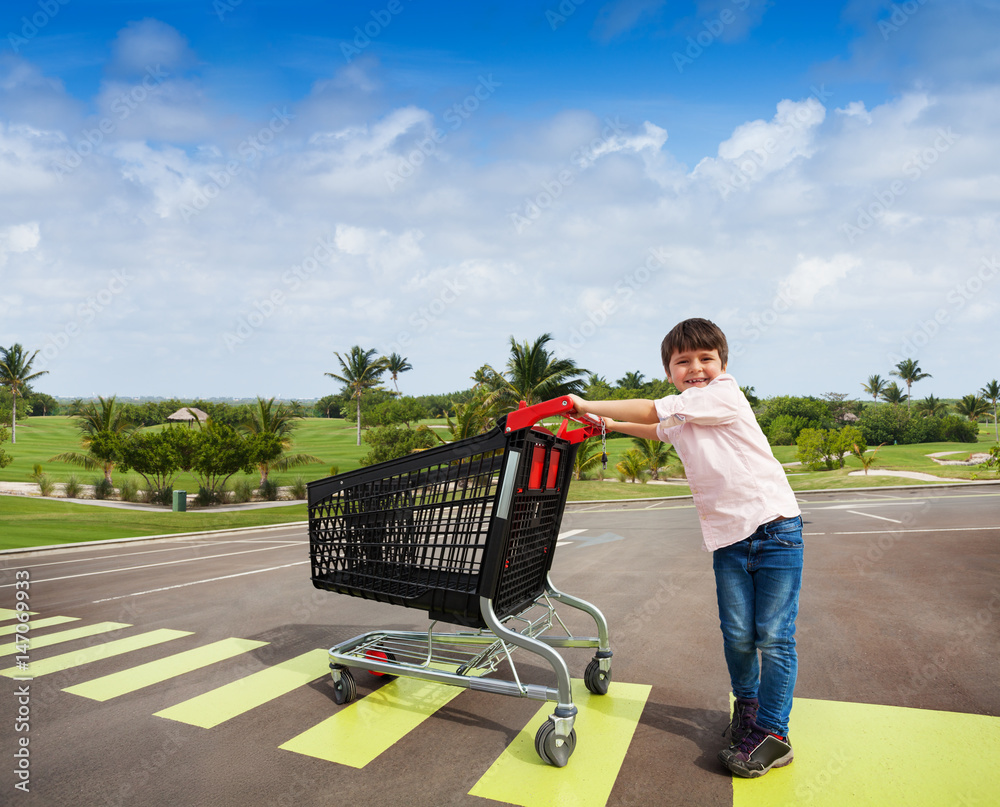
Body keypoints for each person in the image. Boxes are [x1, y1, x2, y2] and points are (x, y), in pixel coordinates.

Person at [567, 317, 803, 779]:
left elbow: (656, 413)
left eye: (706, 359)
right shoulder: (685, 414)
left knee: (774, 637)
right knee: (737, 635)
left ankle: (775, 734)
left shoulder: (724, 395)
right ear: (670, 371)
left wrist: (585, 402)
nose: (696, 368)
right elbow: (661, 429)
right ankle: (749, 713)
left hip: (774, 529)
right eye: (683, 362)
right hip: (729, 539)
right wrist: (609, 423)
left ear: (723, 364)